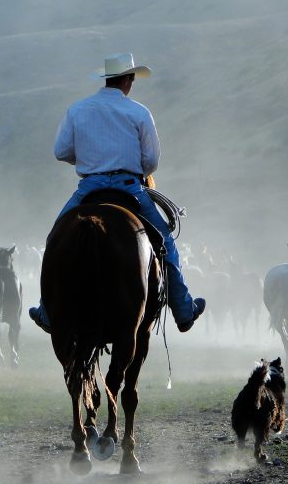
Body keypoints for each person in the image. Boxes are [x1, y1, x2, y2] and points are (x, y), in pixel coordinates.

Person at [29, 53, 205, 333]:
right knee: (165, 243)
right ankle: (183, 311)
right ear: (126, 80)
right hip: (130, 188)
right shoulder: (138, 112)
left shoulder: (77, 110)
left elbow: (61, 151)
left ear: (106, 79)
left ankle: (47, 311)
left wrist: (90, 158)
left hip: (89, 187)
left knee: (55, 240)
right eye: (132, 79)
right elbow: (151, 161)